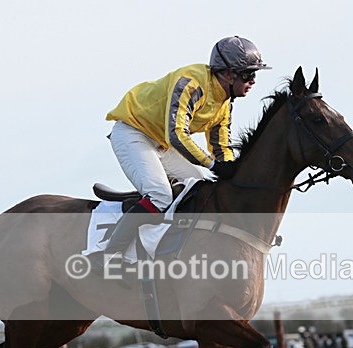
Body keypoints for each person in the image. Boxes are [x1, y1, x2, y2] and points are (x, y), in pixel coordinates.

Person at [98, 36, 271, 266]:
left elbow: (220, 146)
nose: (253, 81)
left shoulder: (224, 102)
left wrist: (233, 171)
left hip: (160, 142)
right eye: (248, 74)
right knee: (160, 195)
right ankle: (110, 253)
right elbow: (177, 134)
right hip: (133, 132)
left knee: (198, 188)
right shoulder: (192, 84)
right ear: (229, 74)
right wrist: (212, 164)